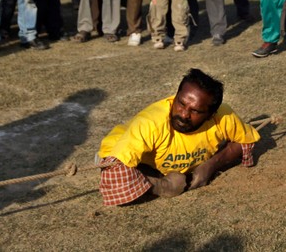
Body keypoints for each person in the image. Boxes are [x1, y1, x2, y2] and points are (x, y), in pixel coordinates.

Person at [97, 68, 260, 206]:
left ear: (211, 114)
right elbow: (116, 168)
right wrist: (163, 186)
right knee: (175, 183)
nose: (184, 115)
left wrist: (211, 166)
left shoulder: (223, 116)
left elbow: (245, 141)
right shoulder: (150, 123)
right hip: (122, 156)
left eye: (195, 111)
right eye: (181, 103)